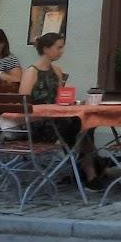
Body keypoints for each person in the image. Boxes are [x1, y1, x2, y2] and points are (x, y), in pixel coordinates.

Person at [19, 32, 101, 187]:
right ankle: (90, 171)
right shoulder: (31, 72)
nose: (62, 51)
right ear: (46, 49)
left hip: (58, 119)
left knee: (86, 124)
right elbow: (23, 102)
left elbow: (60, 99)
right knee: (81, 125)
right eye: (59, 47)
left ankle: (90, 172)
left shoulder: (57, 71)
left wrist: (74, 103)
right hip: (38, 123)